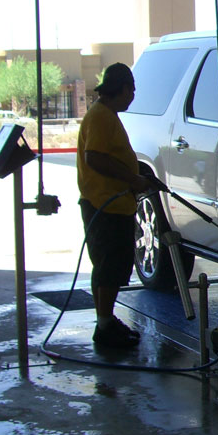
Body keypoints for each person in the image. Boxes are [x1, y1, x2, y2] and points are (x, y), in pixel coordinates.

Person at [77, 62, 163, 348]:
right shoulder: (101, 117)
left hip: (111, 205)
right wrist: (132, 179)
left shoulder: (105, 115)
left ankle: (106, 320)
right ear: (124, 88)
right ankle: (104, 327)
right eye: (133, 90)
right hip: (105, 206)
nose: (133, 96)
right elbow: (95, 158)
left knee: (109, 267)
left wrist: (137, 176)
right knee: (108, 267)